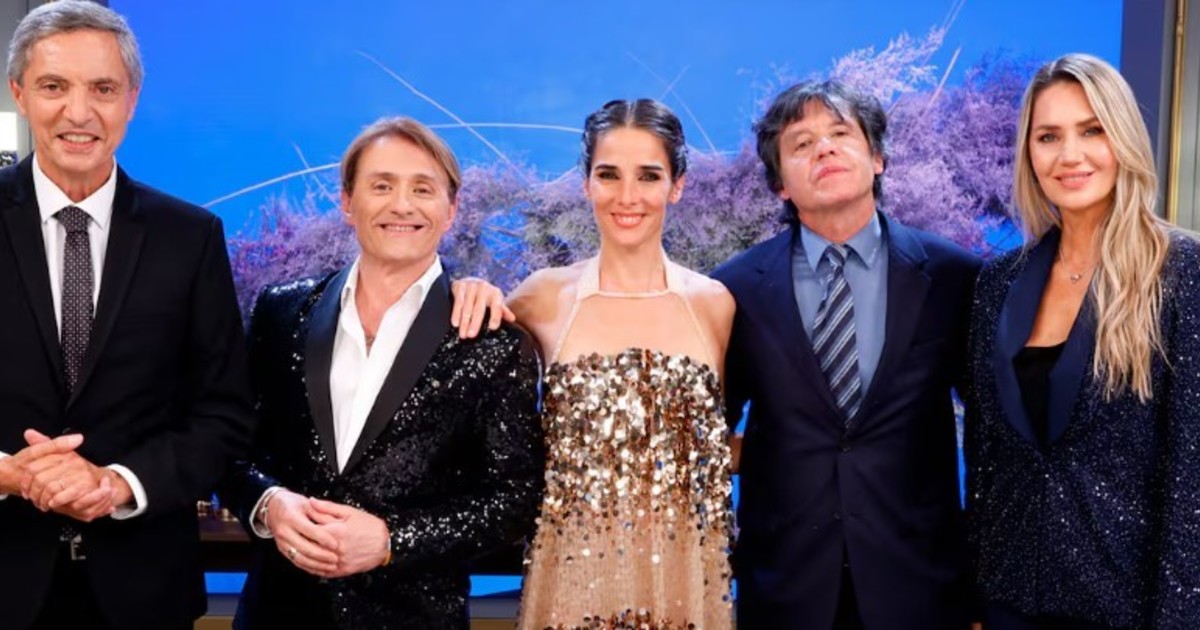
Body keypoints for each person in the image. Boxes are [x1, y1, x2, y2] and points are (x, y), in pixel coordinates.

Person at [217, 116, 545, 629]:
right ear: (347, 202)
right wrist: (269, 503)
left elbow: (517, 498)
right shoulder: (280, 312)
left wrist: (393, 540)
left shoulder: (492, 341)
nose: (402, 205)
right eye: (382, 186)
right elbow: (229, 448)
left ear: (451, 210)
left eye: (422, 189)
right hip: (277, 614)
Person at [0, 2, 257, 629]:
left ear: (132, 100)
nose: (78, 112)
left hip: (143, 593)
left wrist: (118, 483)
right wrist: (8, 475)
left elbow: (223, 415)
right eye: (54, 86)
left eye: (103, 89)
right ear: (19, 94)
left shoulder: (191, 237)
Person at [711, 81, 980, 629]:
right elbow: (707, 433)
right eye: (801, 143)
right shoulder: (735, 289)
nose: (825, 149)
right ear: (779, 184)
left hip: (923, 591)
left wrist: (982, 593)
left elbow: (992, 436)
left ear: (877, 157)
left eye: (840, 133)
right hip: (785, 593)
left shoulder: (954, 276)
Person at [965, 53, 1200, 629]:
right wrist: (974, 596)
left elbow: (1191, 472)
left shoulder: (1181, 272)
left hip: (1128, 607)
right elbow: (986, 456)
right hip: (1009, 598)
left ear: (1123, 138)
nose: (1069, 155)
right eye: (1048, 136)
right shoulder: (998, 282)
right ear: (1029, 152)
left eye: (1092, 130)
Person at [507, 99, 736, 628]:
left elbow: (721, 446)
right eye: (608, 174)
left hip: (685, 587)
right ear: (586, 184)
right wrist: (469, 290)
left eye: (648, 176)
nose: (627, 196)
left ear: (677, 186)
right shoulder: (542, 297)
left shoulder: (714, 305)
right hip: (571, 588)